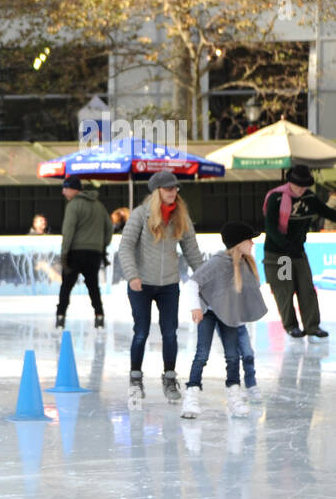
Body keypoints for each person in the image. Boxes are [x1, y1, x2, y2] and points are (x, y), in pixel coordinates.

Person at [118, 171, 204, 406]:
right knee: (141, 332)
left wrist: (206, 277)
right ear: (157, 192)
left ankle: (169, 377)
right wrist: (133, 275)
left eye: (175, 188)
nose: (172, 192)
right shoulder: (140, 215)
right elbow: (125, 247)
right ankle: (135, 378)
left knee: (170, 332)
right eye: (167, 189)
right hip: (141, 284)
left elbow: (192, 251)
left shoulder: (180, 217)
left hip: (168, 284)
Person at [180, 222, 268, 419]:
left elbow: (247, 292)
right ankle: (192, 394)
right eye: (249, 240)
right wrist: (195, 307)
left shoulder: (245, 263)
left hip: (229, 313)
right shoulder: (218, 262)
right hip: (208, 314)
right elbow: (193, 282)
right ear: (238, 243)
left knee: (232, 355)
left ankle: (234, 394)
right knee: (202, 354)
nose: (252, 244)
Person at [262, 164, 336, 339]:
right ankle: (291, 326)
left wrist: (295, 248)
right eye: (298, 185)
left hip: (298, 253)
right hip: (280, 255)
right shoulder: (277, 197)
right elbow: (270, 227)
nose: (302, 189)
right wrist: (286, 246)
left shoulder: (310, 197)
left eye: (305, 185)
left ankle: (312, 326)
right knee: (285, 289)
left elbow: (328, 213)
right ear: (290, 182)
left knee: (307, 288)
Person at [56, 174, 111, 329]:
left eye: (65, 189)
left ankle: (61, 316)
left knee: (66, 286)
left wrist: (64, 253)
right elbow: (108, 228)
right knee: (93, 286)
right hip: (94, 253)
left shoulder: (73, 205)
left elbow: (68, 231)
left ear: (73, 189)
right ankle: (99, 315)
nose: (63, 192)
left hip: (75, 252)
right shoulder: (99, 206)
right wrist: (101, 246)